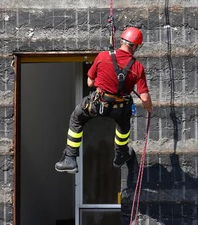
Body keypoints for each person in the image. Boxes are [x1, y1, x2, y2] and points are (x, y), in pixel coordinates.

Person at [55, 27, 153, 173]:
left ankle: (70, 158)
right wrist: (149, 109)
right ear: (135, 46)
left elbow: (89, 82)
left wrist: (105, 80)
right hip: (120, 108)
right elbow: (144, 97)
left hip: (98, 103)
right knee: (123, 125)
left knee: (77, 118)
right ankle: (120, 155)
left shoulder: (102, 56)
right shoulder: (137, 67)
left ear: (121, 41)